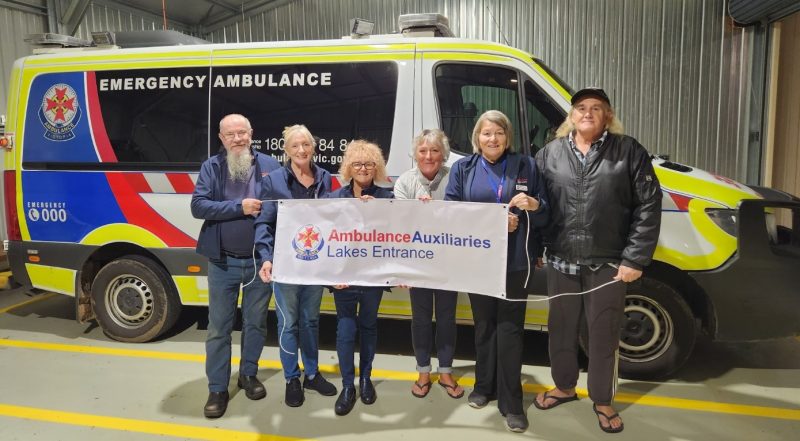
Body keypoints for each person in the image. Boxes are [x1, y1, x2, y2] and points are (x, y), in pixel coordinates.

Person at [533, 87, 662, 434]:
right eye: (581, 108)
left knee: (603, 335)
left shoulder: (629, 151)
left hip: (608, 264)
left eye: (596, 108)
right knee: (560, 331)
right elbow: (539, 206)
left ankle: (603, 399)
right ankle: (563, 386)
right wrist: (537, 250)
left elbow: (648, 206)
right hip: (561, 261)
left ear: (608, 115)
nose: (588, 113)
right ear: (571, 116)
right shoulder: (550, 154)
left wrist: (635, 257)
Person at [444, 110, 549, 432]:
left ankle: (512, 402)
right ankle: (483, 387)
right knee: (484, 326)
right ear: (477, 137)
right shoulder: (464, 168)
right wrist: (493, 222)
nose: (493, 139)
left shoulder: (526, 166)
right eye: (486, 133)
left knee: (510, 330)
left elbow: (547, 209)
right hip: (478, 262)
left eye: (499, 133)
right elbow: (451, 213)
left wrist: (534, 206)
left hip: (515, 262)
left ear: (508, 137)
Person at [191, 114, 281, 418]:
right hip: (223, 261)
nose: (238, 138)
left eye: (242, 132)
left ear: (252, 133)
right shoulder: (211, 167)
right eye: (231, 134)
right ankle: (217, 388)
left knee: (256, 324)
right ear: (222, 138)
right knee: (219, 328)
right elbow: (198, 206)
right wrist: (238, 207)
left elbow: (285, 207)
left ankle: (248, 375)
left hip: (259, 262)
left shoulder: (270, 166)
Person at [255, 124, 338, 407]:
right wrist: (265, 257)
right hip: (286, 266)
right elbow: (264, 223)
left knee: (311, 321)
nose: (301, 150)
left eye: (306, 145)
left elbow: (335, 219)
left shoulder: (325, 178)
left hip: (314, 265)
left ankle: (312, 374)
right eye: (295, 146)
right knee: (288, 323)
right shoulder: (274, 181)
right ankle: (292, 377)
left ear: (314, 147)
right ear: (286, 150)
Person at [326, 140, 394, 416]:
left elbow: (400, 235)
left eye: (369, 164)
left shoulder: (387, 198)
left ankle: (365, 379)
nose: (363, 169)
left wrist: (377, 211)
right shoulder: (335, 199)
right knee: (344, 332)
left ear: (376, 168)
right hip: (344, 279)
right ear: (348, 168)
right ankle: (347, 386)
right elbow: (327, 241)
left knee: (368, 327)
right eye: (357, 164)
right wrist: (330, 277)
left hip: (373, 279)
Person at [394, 129, 463, 400]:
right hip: (417, 263)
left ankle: (445, 370)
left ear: (443, 154)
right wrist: (416, 211)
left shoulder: (454, 177)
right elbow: (398, 224)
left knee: (447, 318)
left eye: (435, 150)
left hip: (447, 262)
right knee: (421, 319)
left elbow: (463, 215)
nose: (429, 156)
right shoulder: (405, 182)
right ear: (415, 154)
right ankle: (423, 371)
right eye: (423, 150)